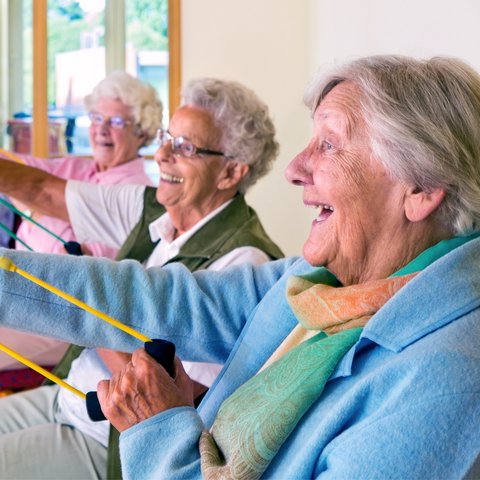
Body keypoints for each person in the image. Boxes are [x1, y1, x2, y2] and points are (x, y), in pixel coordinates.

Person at [0, 55, 479, 479]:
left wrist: (158, 429)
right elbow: (157, 299)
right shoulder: (321, 282)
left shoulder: (448, 378)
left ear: (420, 187)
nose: (295, 168)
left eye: (329, 145)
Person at [0, 77, 284, 478]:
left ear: (231, 172)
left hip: (107, 439)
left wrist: (89, 312)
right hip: (65, 396)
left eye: (185, 147)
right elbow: (44, 190)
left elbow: (174, 394)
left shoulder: (245, 261)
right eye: (168, 138)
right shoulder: (152, 208)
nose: (162, 155)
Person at [0, 71, 163, 374]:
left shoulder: (136, 195)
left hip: (62, 318)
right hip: (17, 287)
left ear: (141, 132)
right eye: (96, 118)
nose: (101, 130)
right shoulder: (77, 167)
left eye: (115, 122)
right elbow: (21, 170)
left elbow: (78, 263)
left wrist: (36, 208)